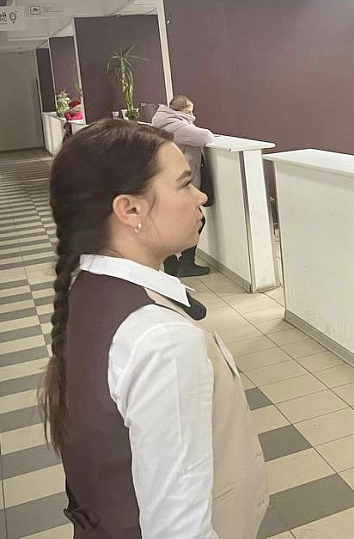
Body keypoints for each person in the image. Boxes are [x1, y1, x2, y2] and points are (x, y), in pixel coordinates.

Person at [39, 119, 268, 538]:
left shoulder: (88, 289)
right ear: (130, 210)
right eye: (184, 184)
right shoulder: (161, 339)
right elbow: (178, 528)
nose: (200, 195)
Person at [152, 94, 215, 277]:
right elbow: (205, 137)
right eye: (189, 112)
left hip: (169, 180)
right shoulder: (175, 125)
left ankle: (173, 263)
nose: (192, 116)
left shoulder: (163, 121)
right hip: (179, 183)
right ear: (179, 111)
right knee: (195, 220)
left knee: (175, 221)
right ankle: (182, 263)